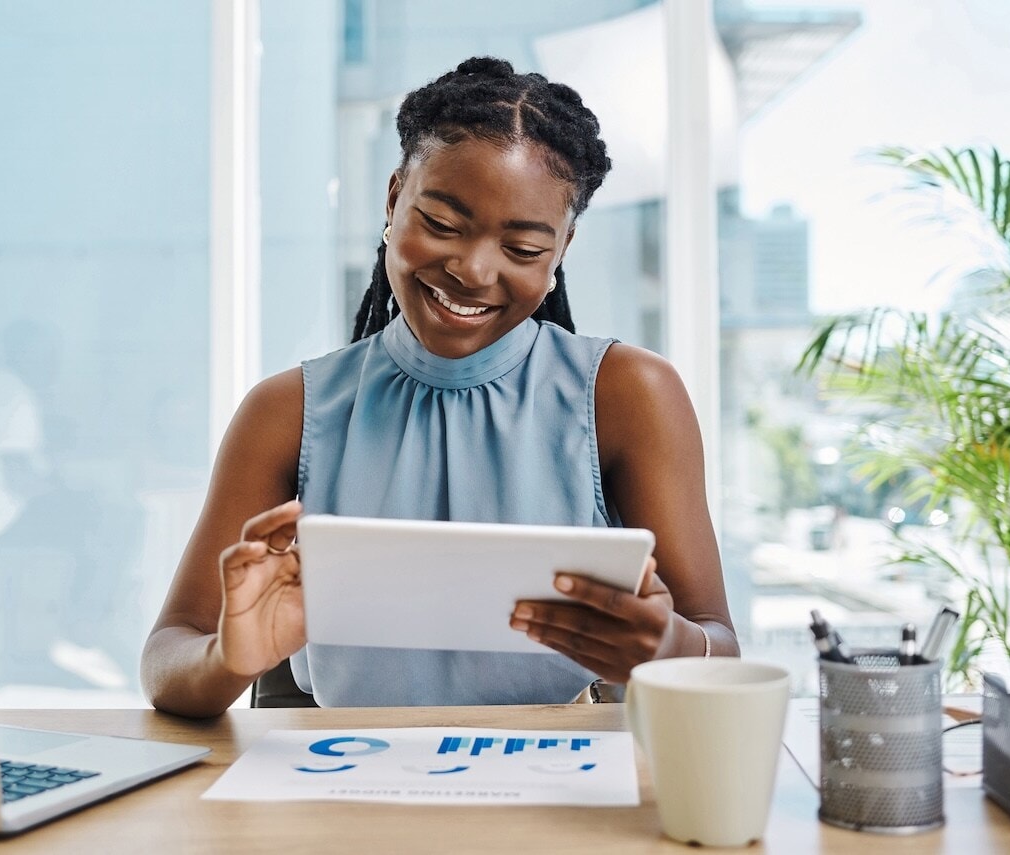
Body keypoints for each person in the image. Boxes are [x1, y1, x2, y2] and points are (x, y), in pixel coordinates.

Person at [142, 57, 737, 717]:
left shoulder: (629, 394)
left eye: (523, 249)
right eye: (445, 225)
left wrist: (671, 645)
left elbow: (719, 642)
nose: (474, 270)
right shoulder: (288, 411)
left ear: (563, 247)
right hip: (342, 782)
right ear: (395, 199)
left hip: (557, 784)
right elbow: (169, 657)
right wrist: (231, 654)